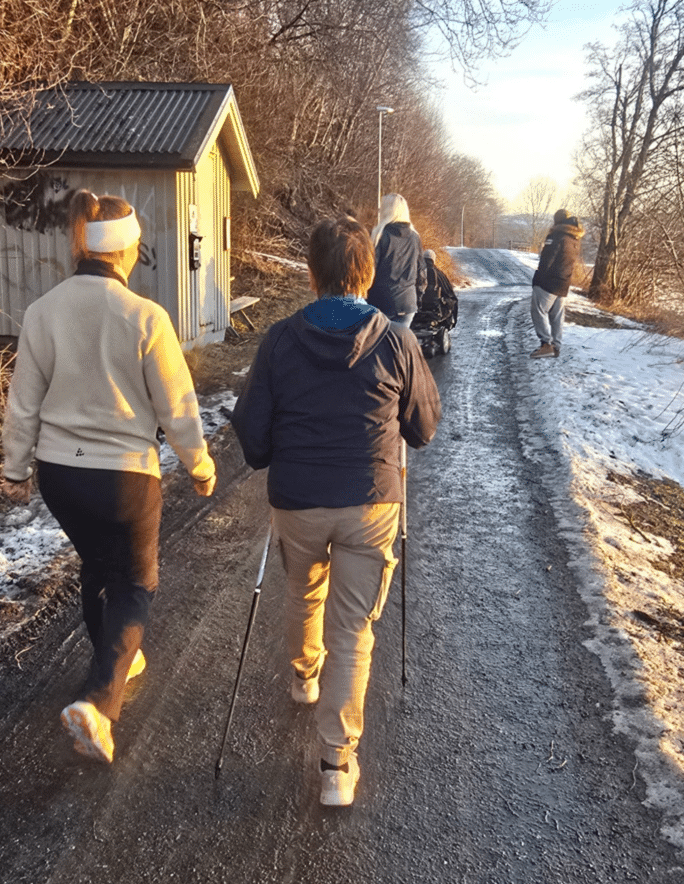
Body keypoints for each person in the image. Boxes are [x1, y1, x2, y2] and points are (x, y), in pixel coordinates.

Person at [0, 190, 216, 764]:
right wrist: (200, 466)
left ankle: (116, 660)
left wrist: (15, 468)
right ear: (128, 250)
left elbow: (23, 403)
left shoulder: (42, 312)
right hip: (124, 479)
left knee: (97, 566)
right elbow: (178, 407)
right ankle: (98, 702)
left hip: (61, 477)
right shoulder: (146, 317)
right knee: (135, 583)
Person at [231, 215, 440, 806]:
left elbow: (252, 434)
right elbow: (423, 428)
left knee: (304, 592)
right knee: (352, 629)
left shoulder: (279, 340)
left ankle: (304, 677)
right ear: (368, 274)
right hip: (371, 503)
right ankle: (336, 766)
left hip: (298, 500)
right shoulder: (397, 342)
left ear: (311, 273)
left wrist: (278, 449)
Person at [530, 208, 585, 359]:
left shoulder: (556, 236)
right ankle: (556, 346)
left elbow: (547, 260)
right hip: (564, 283)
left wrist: (537, 280)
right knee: (557, 315)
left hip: (548, 282)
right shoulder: (575, 239)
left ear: (557, 221)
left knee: (538, 311)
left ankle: (546, 344)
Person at [367, 193, 427, 328]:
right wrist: (417, 297)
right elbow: (421, 272)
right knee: (400, 339)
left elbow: (370, 271)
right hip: (407, 302)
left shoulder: (379, 235)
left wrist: (364, 297)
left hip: (381, 301)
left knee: (380, 339)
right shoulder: (415, 237)